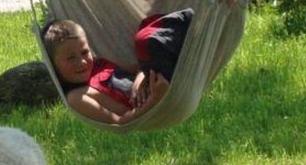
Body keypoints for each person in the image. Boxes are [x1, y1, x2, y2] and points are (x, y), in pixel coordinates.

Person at [42, 10, 193, 125]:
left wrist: (140, 77)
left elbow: (137, 68)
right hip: (159, 102)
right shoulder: (77, 97)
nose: (81, 62)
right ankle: (194, 18)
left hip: (158, 77)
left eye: (85, 52)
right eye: (71, 58)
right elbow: (120, 122)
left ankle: (199, 22)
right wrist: (155, 99)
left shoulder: (100, 65)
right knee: (145, 40)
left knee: (146, 30)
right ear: (53, 64)